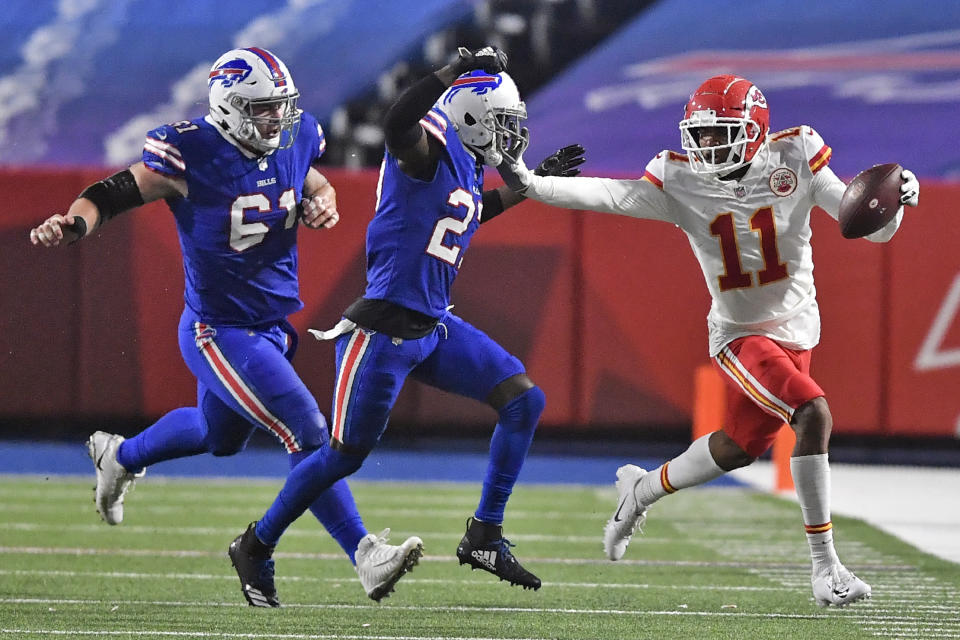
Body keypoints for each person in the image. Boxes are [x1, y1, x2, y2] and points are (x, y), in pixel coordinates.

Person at [497, 74, 921, 607]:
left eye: (721, 133)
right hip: (741, 335)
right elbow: (609, 193)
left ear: (755, 130)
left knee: (739, 447)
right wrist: (530, 182)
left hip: (798, 329)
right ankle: (826, 569)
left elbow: (863, 224)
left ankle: (641, 489)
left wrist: (897, 203)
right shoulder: (681, 181)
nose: (706, 146)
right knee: (812, 413)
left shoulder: (796, 153)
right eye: (701, 134)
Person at [28, 47, 423, 607]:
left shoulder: (292, 137)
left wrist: (324, 199)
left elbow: (309, 181)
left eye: (280, 108)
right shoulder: (191, 152)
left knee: (219, 438)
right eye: (264, 109)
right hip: (218, 331)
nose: (276, 120)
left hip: (270, 326)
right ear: (231, 106)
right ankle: (363, 553)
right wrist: (73, 225)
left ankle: (120, 456)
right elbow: (111, 194)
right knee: (307, 430)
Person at [228, 46, 584, 596]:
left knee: (522, 398)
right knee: (344, 456)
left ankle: (485, 534)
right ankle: (256, 543)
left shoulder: (465, 159)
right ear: (469, 114)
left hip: (432, 327)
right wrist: (450, 72)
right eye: (502, 124)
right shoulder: (425, 151)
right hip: (382, 332)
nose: (511, 136)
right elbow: (396, 122)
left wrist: (527, 186)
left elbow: (468, 210)